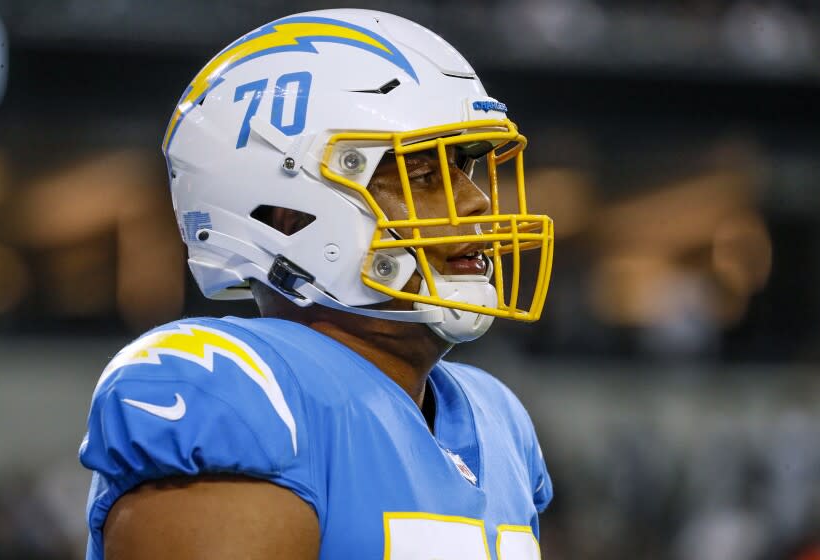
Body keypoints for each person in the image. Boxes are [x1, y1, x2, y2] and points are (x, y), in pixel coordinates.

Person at [80, 8, 555, 559]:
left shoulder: (497, 420)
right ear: (285, 215)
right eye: (420, 174)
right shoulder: (229, 391)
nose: (473, 201)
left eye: (462, 169)